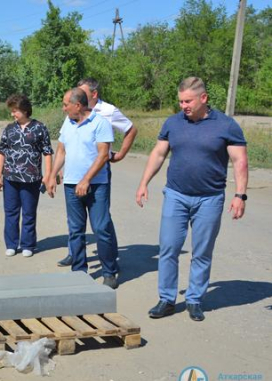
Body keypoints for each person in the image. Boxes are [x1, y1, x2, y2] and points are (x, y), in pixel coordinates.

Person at [136, 77, 248, 322]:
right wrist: (144, 183)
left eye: (188, 101)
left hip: (210, 199)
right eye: (180, 101)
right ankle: (166, 299)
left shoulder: (226, 125)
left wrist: (240, 195)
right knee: (168, 247)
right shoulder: (173, 123)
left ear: (203, 98)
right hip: (176, 195)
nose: (183, 106)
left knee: (202, 251)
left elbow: (240, 161)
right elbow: (158, 153)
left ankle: (195, 299)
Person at [57, 78, 138, 267]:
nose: (78, 94)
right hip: (74, 175)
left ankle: (110, 259)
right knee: (76, 224)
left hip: (98, 172)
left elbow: (131, 129)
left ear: (93, 94)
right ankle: (74, 255)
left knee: (101, 222)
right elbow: (65, 145)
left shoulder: (108, 111)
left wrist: (120, 155)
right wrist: (59, 170)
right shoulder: (72, 115)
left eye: (82, 92)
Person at [46, 88, 119, 289]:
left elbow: (103, 155)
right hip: (71, 185)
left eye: (65, 104)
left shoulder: (100, 123)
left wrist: (86, 179)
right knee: (76, 230)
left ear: (77, 105)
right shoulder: (67, 123)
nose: (63, 108)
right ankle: (79, 272)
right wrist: (52, 175)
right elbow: (61, 150)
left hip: (96, 186)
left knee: (101, 228)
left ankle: (109, 271)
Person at [0, 94, 54, 258]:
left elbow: (47, 153)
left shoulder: (39, 128)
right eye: (12, 111)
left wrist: (48, 175)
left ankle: (28, 244)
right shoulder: (9, 129)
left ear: (25, 110)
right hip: (10, 178)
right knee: (11, 212)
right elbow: (1, 152)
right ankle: (12, 244)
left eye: (15, 111)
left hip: (31, 178)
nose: (12, 114)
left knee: (28, 212)